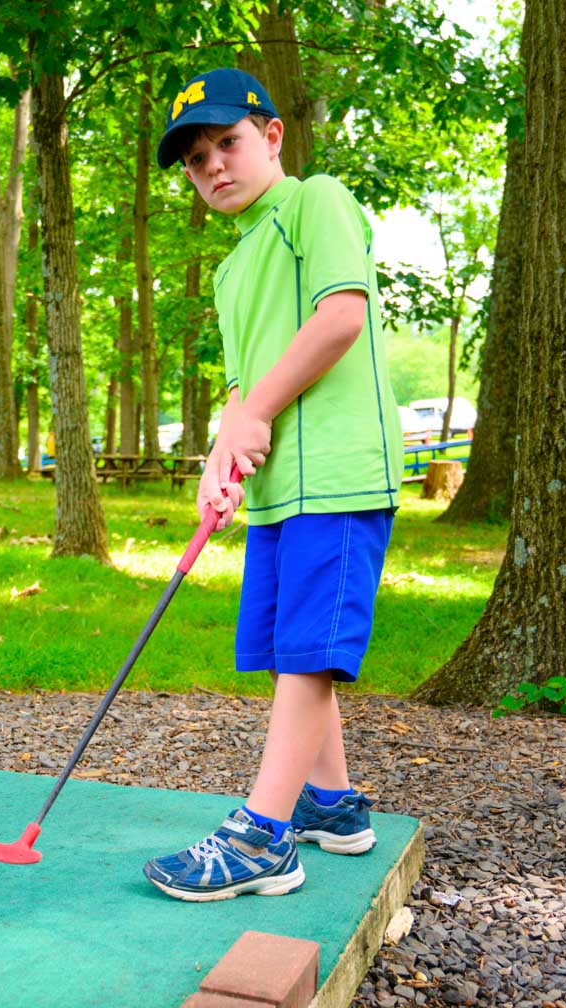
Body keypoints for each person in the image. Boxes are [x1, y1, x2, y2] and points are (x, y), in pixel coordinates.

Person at [141, 68, 404, 902]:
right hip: (279, 487)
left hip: (337, 471)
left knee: (308, 654)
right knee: (291, 648)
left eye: (228, 142)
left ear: (273, 136)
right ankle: (331, 805)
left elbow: (341, 315)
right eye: (194, 159)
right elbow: (240, 387)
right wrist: (224, 456)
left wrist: (253, 411)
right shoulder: (230, 270)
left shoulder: (313, 202)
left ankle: (263, 838)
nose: (213, 166)